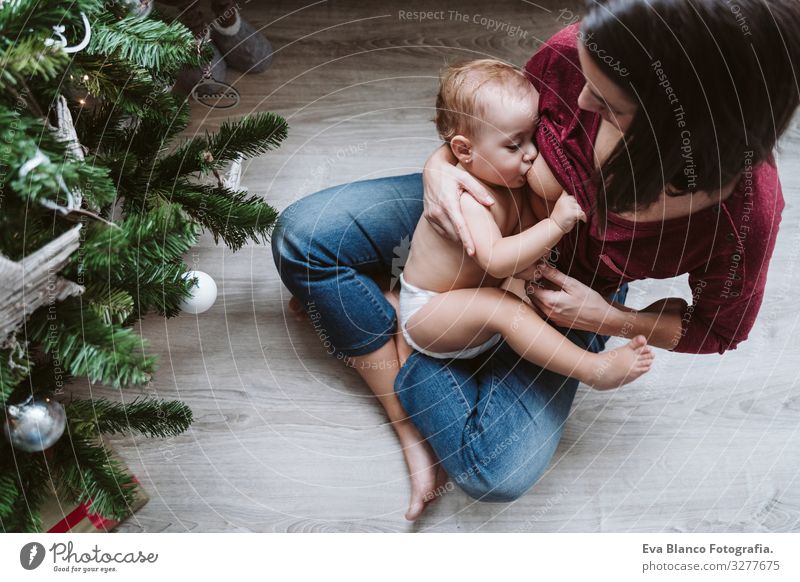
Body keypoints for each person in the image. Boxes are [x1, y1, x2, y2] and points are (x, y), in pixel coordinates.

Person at [271, 0, 800, 521]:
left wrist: (606, 318)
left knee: (494, 470)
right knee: (304, 237)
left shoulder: (745, 215)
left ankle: (386, 317)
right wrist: (439, 170)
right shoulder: (583, 52)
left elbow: (717, 330)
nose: (585, 100)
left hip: (572, 291)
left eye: (613, 105)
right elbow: (482, 126)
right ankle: (403, 399)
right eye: (587, 78)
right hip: (489, 212)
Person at [399, 58, 654, 388]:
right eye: (513, 144)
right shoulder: (468, 198)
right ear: (464, 150)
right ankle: (591, 369)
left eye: (532, 138)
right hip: (430, 315)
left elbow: (509, 260)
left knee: (528, 290)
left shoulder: (508, 182)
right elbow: (496, 259)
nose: (531, 153)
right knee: (501, 307)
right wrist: (557, 223)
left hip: (478, 302)